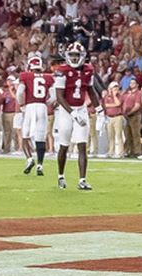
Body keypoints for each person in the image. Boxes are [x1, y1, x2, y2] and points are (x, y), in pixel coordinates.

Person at [53, 41, 101, 190]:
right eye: (72, 55)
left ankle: (82, 179)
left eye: (76, 55)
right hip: (66, 110)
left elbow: (91, 91)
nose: (74, 58)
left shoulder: (88, 70)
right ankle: (61, 175)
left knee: (82, 145)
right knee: (64, 145)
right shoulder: (62, 70)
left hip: (81, 109)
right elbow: (59, 97)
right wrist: (72, 113)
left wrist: (99, 109)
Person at [17, 53, 54, 176]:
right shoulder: (48, 77)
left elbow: (20, 92)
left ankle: (29, 159)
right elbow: (54, 97)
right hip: (42, 107)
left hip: (30, 106)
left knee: (25, 135)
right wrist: (46, 102)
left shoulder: (25, 75)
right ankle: (40, 165)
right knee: (40, 137)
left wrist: (22, 104)